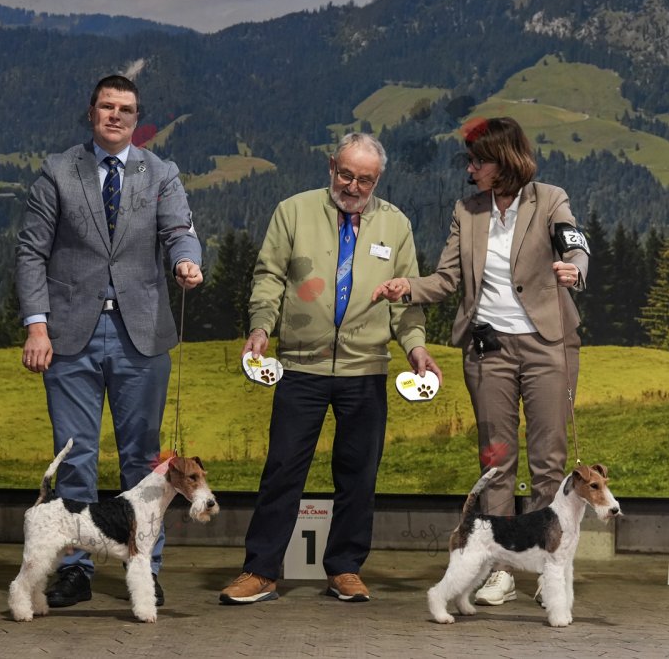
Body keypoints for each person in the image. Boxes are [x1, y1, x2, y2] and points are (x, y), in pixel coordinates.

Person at [372, 116, 590, 607]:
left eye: (477, 162)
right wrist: (407, 287)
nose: (469, 169)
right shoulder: (466, 211)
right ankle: (499, 570)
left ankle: (549, 570)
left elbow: (576, 246)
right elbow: (447, 279)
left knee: (549, 461)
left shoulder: (550, 199)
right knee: (496, 461)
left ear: (504, 162)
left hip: (547, 345)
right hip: (488, 350)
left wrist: (573, 272)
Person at [219, 133, 441, 605]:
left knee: (358, 476)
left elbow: (406, 297)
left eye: (365, 180)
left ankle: (345, 568)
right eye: (346, 175)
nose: (353, 187)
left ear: (377, 180)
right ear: (331, 168)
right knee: (282, 470)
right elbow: (268, 278)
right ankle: (260, 570)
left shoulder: (396, 223)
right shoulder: (293, 211)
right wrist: (260, 328)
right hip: (300, 366)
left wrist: (416, 348)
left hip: (366, 369)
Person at [16, 74, 203, 609]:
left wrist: (186, 261)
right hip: (68, 335)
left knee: (144, 460)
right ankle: (75, 569)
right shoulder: (58, 171)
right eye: (106, 106)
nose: (115, 115)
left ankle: (144, 566)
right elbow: (31, 251)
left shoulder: (161, 173)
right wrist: (36, 326)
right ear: (91, 112)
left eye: (125, 108)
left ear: (136, 117)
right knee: (74, 457)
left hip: (141, 335)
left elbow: (179, 232)